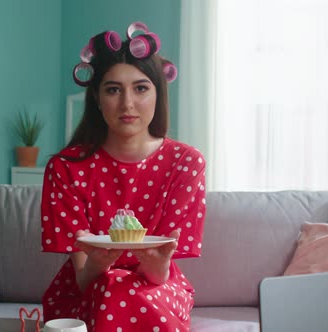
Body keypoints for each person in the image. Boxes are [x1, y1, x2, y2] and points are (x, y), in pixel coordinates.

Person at [41, 22, 206, 332]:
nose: (127, 103)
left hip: (159, 290)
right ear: (97, 98)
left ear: (158, 94)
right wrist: (100, 263)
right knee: (112, 289)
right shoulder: (66, 167)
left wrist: (155, 266)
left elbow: (160, 273)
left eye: (140, 88)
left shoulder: (186, 163)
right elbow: (83, 278)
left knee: (123, 291)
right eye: (113, 89)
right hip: (86, 291)